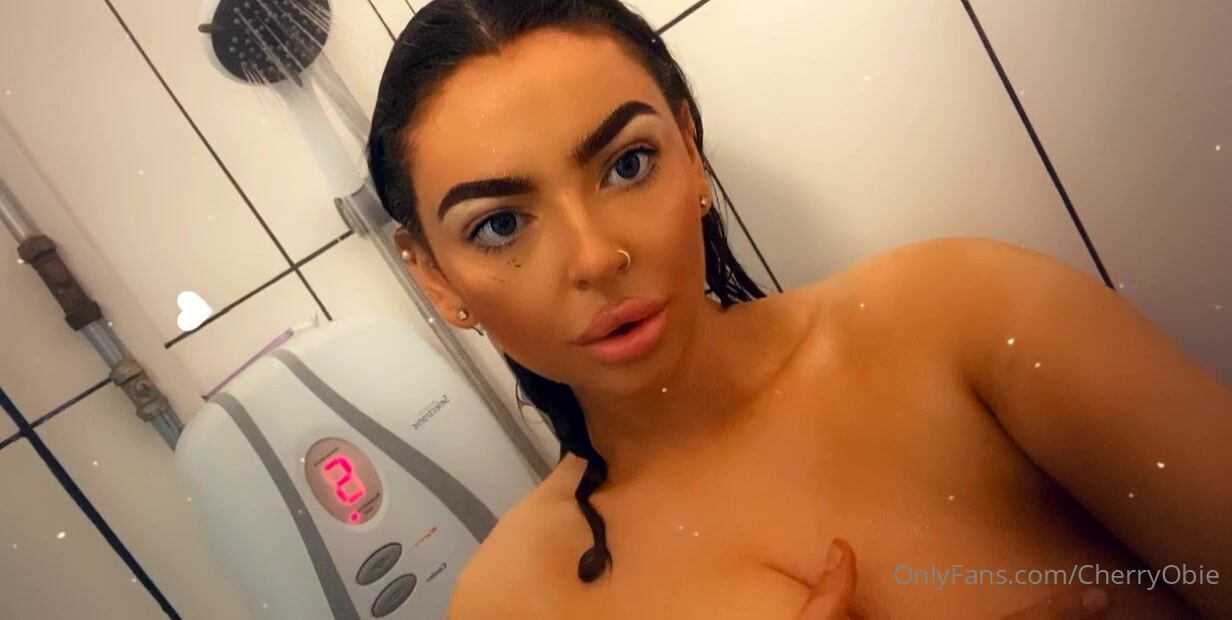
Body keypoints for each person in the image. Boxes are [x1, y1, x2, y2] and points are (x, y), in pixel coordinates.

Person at [366, 1, 1231, 617]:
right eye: (500, 224)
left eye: (628, 165)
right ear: (435, 276)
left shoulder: (965, 319)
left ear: (691, 153)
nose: (595, 257)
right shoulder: (511, 601)